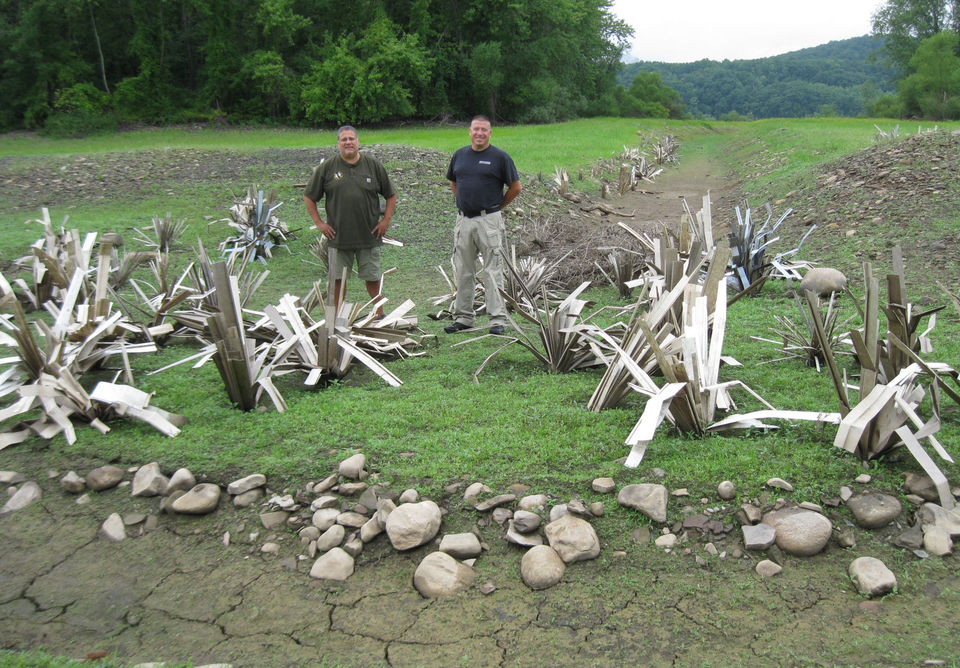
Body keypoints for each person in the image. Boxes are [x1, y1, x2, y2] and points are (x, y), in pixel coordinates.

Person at [303, 125, 397, 316]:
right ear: (338, 143)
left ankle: (380, 315)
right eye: (344, 139)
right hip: (338, 237)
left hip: (369, 235)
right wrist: (320, 224)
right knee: (338, 280)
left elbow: (391, 195)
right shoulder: (327, 167)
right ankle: (337, 317)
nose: (348, 143)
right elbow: (309, 196)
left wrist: (386, 220)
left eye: (351, 139)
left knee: (372, 278)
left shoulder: (373, 165)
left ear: (358, 142)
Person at [444, 115, 521, 335]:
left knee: (492, 270)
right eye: (476, 129)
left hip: (489, 221)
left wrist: (497, 207)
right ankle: (464, 318)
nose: (479, 134)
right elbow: (453, 182)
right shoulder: (459, 155)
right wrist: (463, 204)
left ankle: (497, 320)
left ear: (490, 133)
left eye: (484, 130)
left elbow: (516, 187)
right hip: (464, 221)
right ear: (470, 131)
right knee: (463, 270)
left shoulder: (500, 158)